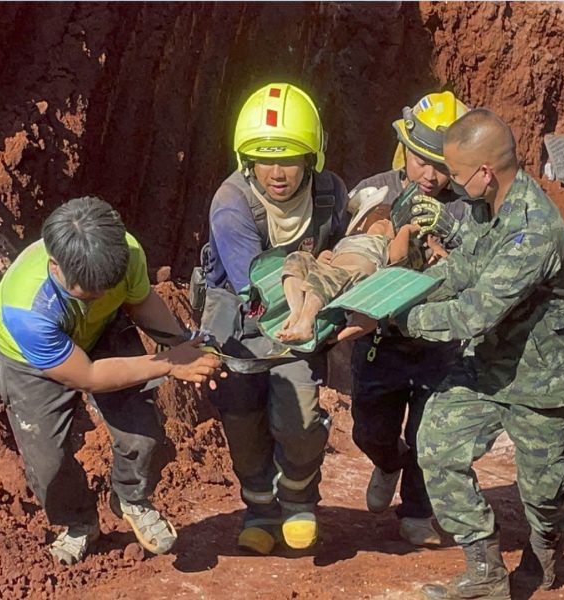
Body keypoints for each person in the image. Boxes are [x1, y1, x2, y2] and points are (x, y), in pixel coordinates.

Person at [341, 109, 564, 599]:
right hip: (491, 366)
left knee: (543, 496)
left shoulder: (533, 229)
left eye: (455, 173)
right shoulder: (486, 206)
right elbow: (461, 271)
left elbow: (472, 314)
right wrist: (394, 294)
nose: (447, 183)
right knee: (436, 443)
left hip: (546, 379)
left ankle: (545, 555)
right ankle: (484, 572)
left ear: (483, 172)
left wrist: (392, 319)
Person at [0, 196, 222, 565]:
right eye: (90, 290)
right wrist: (167, 363)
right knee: (49, 462)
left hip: (101, 329)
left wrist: (181, 343)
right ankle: (80, 523)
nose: (99, 293)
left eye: (105, 287)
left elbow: (140, 301)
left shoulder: (125, 253)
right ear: (56, 267)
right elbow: (90, 376)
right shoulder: (25, 312)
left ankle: (130, 498)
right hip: (31, 361)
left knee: (141, 433)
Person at [202, 82, 349, 554]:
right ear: (247, 159)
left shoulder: (331, 194)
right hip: (243, 326)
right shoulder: (231, 203)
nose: (277, 172)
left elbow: (343, 254)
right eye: (264, 158)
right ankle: (260, 509)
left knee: (300, 419)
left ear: (312, 157)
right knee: (243, 423)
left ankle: (299, 500)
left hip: (300, 324)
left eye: (288, 158)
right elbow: (258, 285)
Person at [348, 91, 489, 548]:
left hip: (441, 344)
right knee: (371, 429)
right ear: (403, 148)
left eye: (443, 164)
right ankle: (387, 461)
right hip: (380, 341)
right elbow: (347, 256)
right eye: (420, 159)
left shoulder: (473, 209)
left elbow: (486, 270)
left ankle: (416, 511)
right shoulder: (371, 193)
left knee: (431, 435)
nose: (429, 175)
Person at [277, 202, 425, 343]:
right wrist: (322, 258)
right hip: (332, 269)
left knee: (324, 277)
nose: (384, 220)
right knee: (297, 258)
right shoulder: (350, 239)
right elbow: (327, 258)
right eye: (379, 216)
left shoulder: (386, 243)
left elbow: (399, 257)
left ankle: (305, 325)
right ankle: (296, 310)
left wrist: (405, 231)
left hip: (353, 277)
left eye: (389, 221)